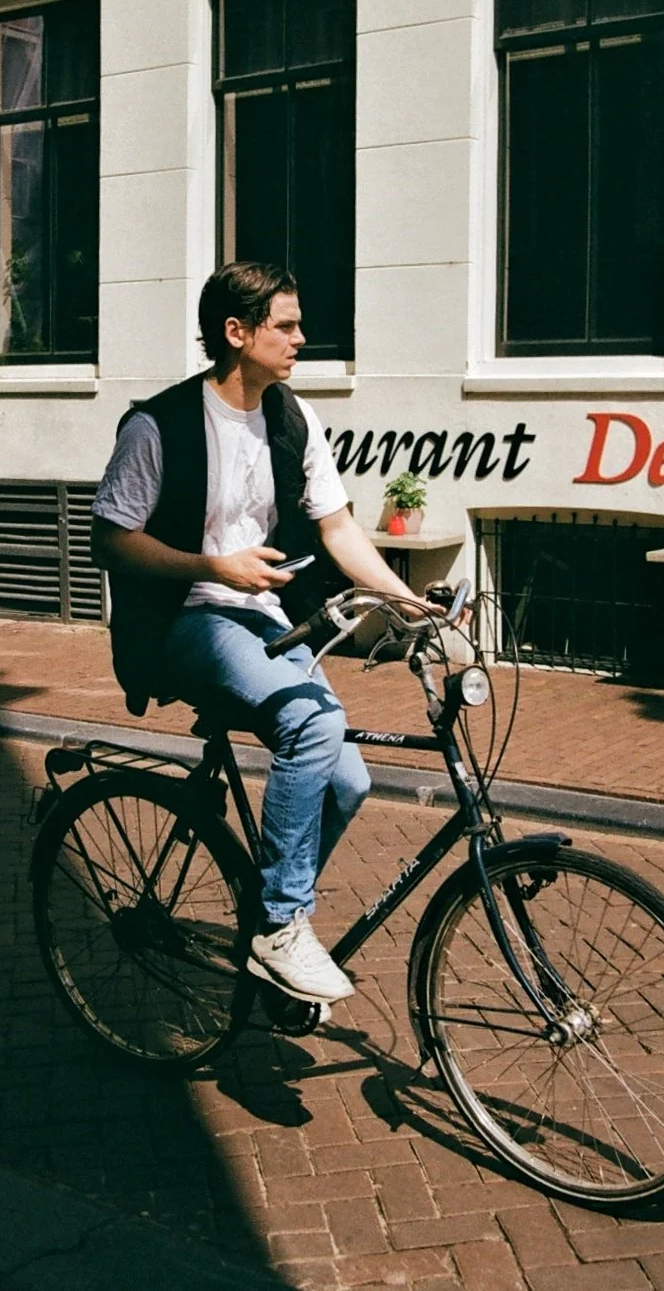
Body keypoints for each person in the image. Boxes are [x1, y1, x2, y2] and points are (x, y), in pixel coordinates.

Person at [91, 262, 427, 1006]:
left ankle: (269, 908)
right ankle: (279, 926)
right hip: (181, 619)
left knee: (347, 775)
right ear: (236, 333)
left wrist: (411, 606)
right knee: (312, 724)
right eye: (286, 325)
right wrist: (214, 565)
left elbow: (339, 528)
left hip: (262, 619)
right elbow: (112, 540)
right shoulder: (159, 423)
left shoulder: (291, 417)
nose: (301, 339)